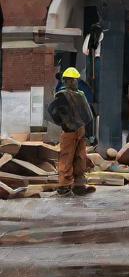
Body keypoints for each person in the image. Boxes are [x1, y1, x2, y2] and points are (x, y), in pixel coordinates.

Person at [46, 67, 96, 197]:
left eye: (74, 80)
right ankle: (64, 185)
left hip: (79, 130)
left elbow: (87, 113)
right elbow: (53, 112)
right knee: (67, 158)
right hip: (70, 131)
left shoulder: (79, 94)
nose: (73, 82)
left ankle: (79, 184)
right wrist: (64, 123)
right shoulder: (62, 95)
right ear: (68, 81)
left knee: (80, 157)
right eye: (72, 80)